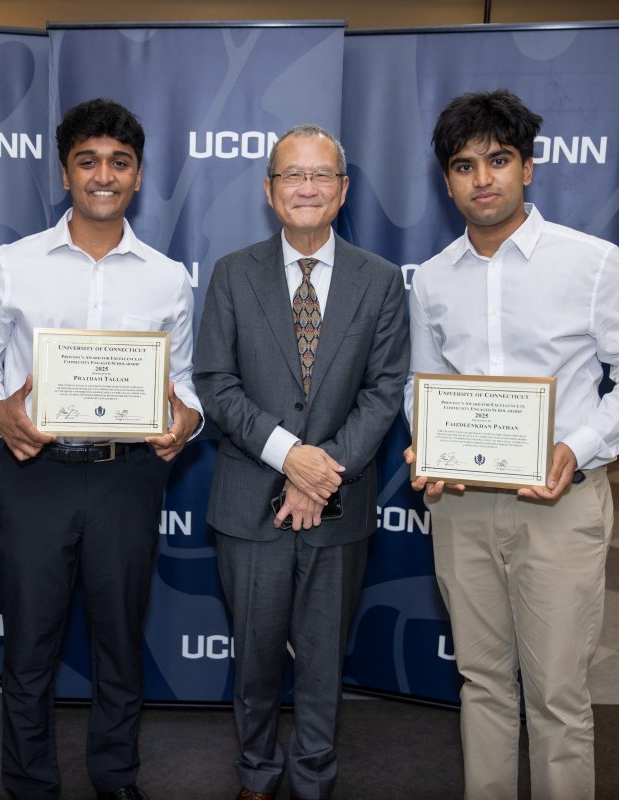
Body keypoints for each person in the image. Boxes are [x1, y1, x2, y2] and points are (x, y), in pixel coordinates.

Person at [404, 89, 619, 799]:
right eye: (464, 165)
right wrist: (426, 440)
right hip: (461, 507)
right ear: (447, 180)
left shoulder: (590, 263)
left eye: (498, 160)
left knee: (556, 695)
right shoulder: (431, 280)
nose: (482, 178)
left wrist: (579, 443)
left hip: (561, 505)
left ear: (528, 167)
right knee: (482, 683)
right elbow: (421, 381)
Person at [0, 98, 202, 800]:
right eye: (88, 161)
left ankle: (115, 780)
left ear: (138, 175)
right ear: (65, 172)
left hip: (127, 476)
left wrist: (186, 419)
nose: (104, 175)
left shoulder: (165, 276)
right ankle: (30, 784)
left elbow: (181, 379)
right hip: (36, 474)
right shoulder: (11, 265)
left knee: (120, 646)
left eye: (119, 163)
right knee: (30, 647)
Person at [194, 124, 409, 800]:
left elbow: (384, 389)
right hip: (249, 501)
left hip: (339, 505)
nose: (307, 187)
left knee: (322, 662)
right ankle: (256, 775)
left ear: (342, 191)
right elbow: (215, 382)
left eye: (322, 175)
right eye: (292, 175)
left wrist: (322, 475)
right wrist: (292, 458)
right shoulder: (232, 273)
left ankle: (315, 778)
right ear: (269, 190)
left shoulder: (379, 280)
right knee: (255, 659)